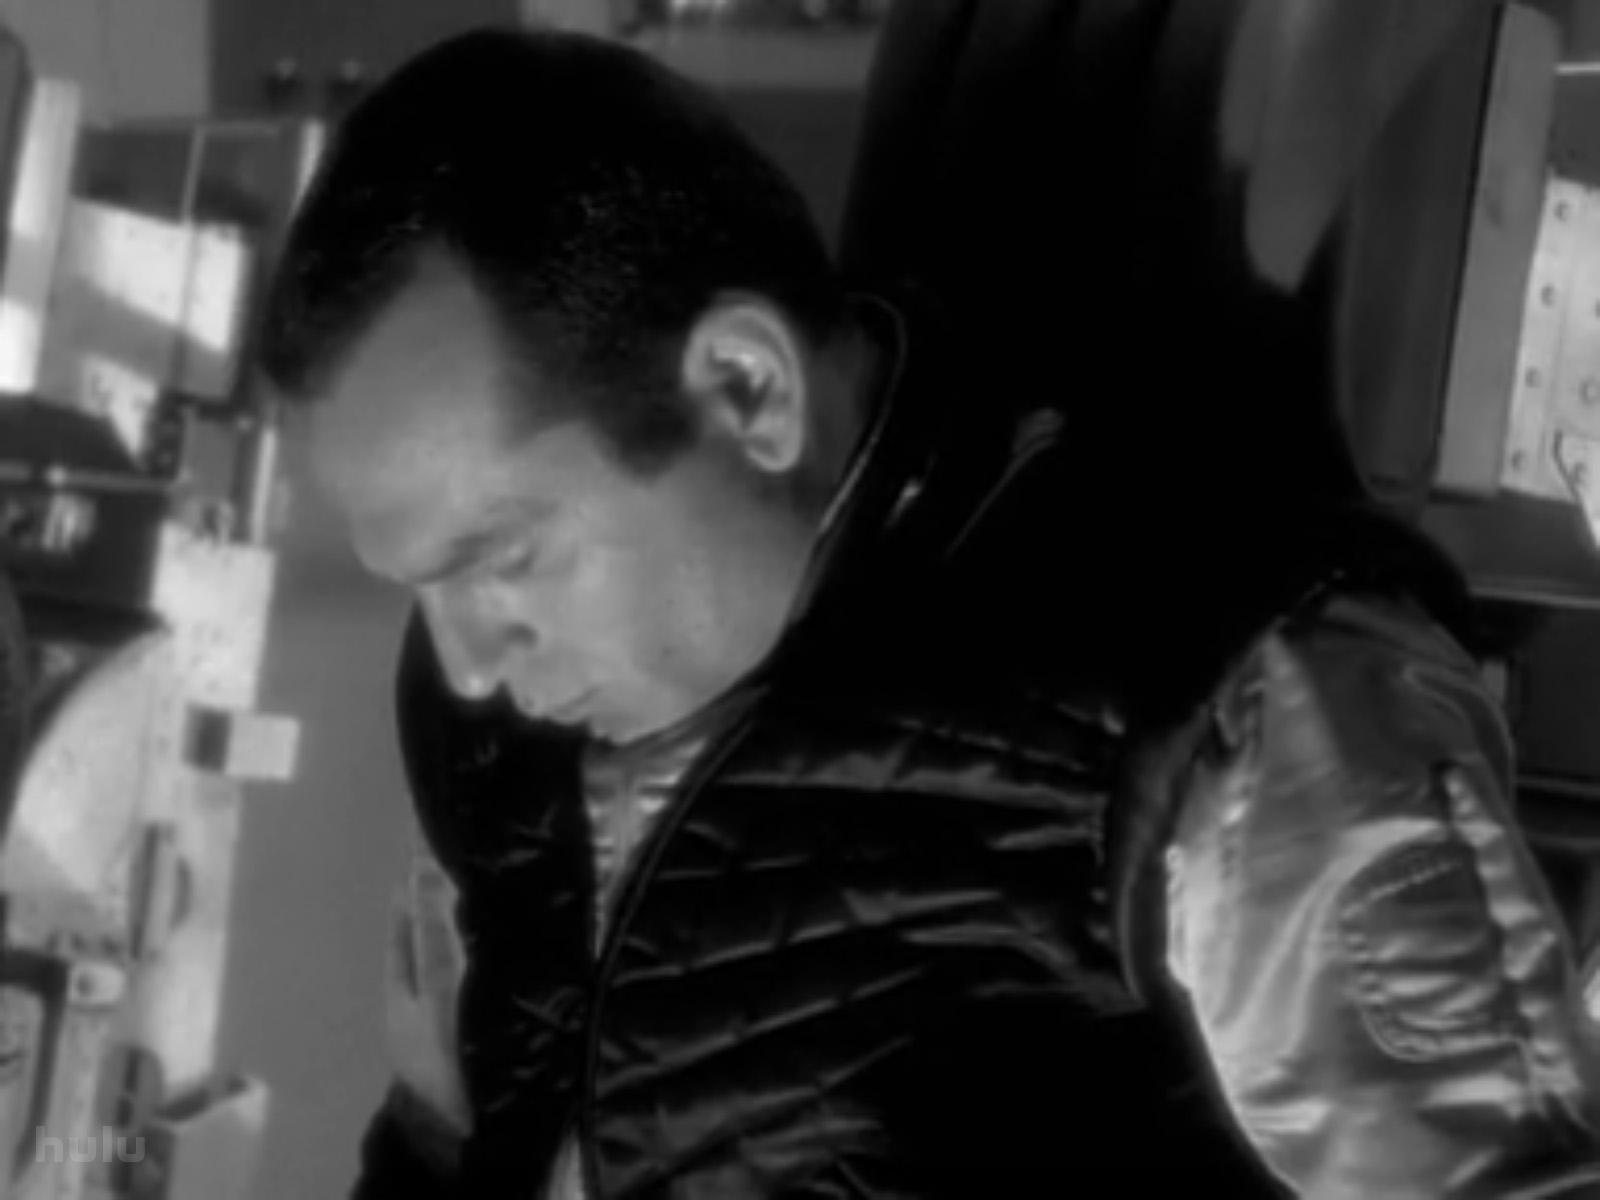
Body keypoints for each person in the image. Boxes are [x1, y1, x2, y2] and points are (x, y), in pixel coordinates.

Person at [258, 26, 1600, 1199]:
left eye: (500, 557)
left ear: (747, 392)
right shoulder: (498, 743)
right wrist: (432, 1147)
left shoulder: (1224, 723)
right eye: (417, 583)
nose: (466, 664)